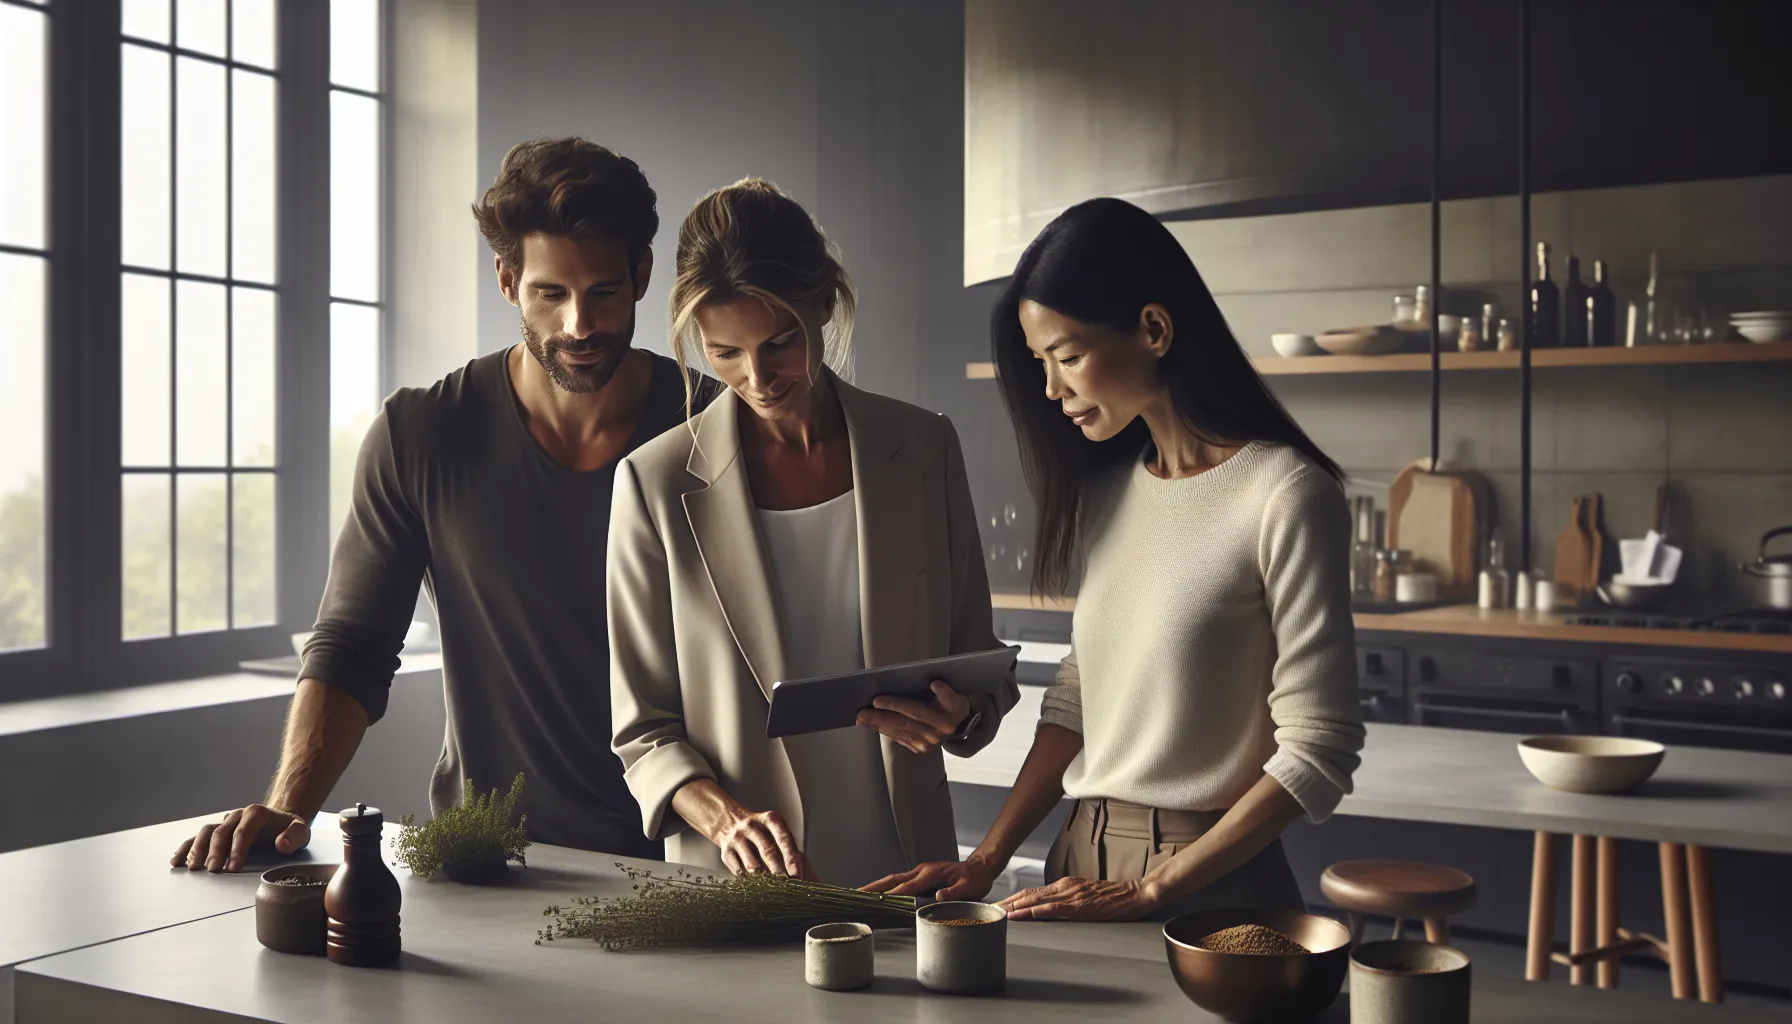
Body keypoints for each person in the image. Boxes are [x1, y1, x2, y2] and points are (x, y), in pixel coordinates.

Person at [173, 138, 714, 871]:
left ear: (643, 274)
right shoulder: (423, 434)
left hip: (691, 859)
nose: (579, 325)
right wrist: (288, 808)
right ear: (507, 279)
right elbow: (353, 649)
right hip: (487, 862)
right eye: (551, 294)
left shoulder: (717, 429)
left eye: (604, 292)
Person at [866, 197, 1365, 920]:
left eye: (1067, 357)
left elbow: (1321, 750)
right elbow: (1080, 697)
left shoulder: (1284, 494)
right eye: (1041, 363)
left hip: (1209, 884)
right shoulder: (1108, 489)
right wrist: (986, 859)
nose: (1050, 389)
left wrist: (1157, 887)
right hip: (1078, 862)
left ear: (1154, 329)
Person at [607, 178, 1018, 887]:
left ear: (825, 303)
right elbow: (644, 733)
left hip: (909, 871)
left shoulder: (923, 449)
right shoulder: (654, 482)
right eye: (724, 353)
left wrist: (963, 712)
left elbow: (975, 659)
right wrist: (723, 821)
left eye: (780, 342)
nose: (758, 377)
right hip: (740, 888)